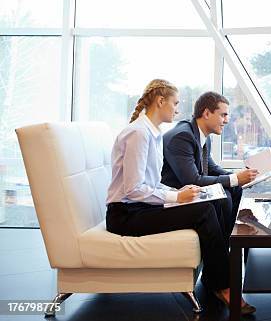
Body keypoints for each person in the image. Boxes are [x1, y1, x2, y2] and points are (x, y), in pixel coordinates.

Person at [105, 80, 255, 315]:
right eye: (175, 103)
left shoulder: (152, 134)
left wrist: (181, 192)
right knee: (206, 209)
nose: (177, 108)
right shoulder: (138, 134)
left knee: (209, 200)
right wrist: (176, 196)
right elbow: (133, 189)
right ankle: (222, 284)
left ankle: (218, 273)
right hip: (125, 215)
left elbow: (151, 183)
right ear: (160, 101)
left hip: (141, 206)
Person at [161, 91, 258, 238]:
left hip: (191, 190)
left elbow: (211, 167)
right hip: (175, 195)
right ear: (206, 113)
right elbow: (192, 180)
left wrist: (240, 177)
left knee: (236, 189)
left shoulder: (201, 135)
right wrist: (235, 179)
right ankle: (223, 246)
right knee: (225, 198)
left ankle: (231, 242)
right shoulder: (183, 136)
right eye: (223, 115)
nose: (227, 120)